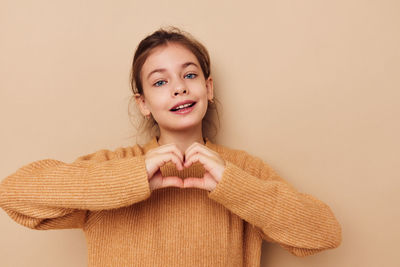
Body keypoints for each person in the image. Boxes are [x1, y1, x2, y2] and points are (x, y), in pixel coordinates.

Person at [0, 27, 342, 266]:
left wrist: (234, 186)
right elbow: (13, 195)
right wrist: (132, 177)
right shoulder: (113, 166)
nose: (178, 88)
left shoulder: (243, 170)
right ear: (143, 103)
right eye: (160, 81)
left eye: (190, 75)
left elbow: (325, 233)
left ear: (208, 88)